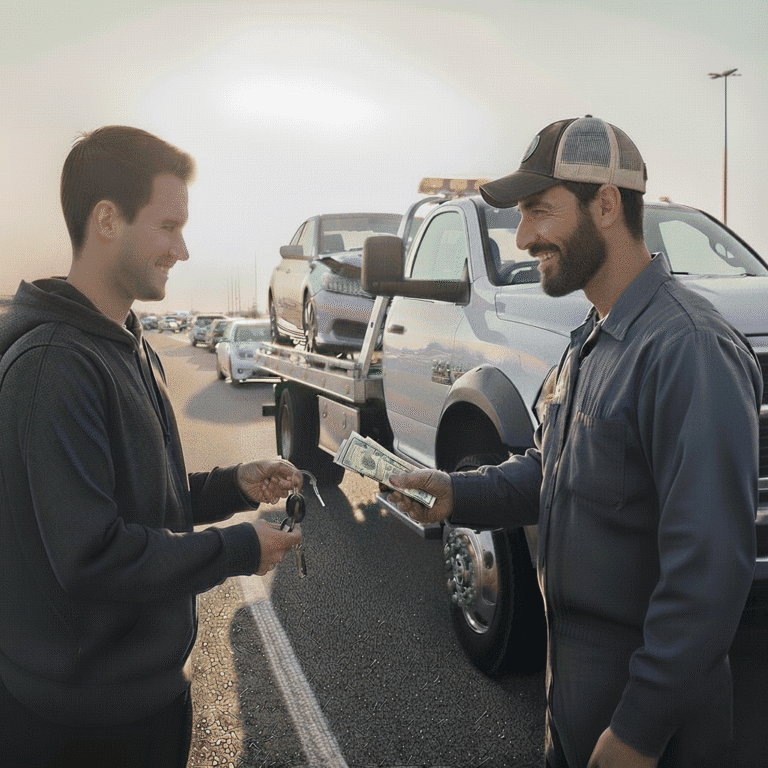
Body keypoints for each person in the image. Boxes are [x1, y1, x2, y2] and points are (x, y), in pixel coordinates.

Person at [386, 116, 762, 768]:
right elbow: (552, 470)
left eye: (540, 212)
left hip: (654, 735)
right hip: (576, 705)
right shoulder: (588, 342)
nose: (525, 236)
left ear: (607, 204)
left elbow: (709, 574)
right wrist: (455, 495)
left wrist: (639, 731)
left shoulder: (687, 349)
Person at [0, 126, 303, 767]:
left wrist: (232, 484)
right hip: (81, 730)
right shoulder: (54, 364)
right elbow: (93, 558)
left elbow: (139, 506)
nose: (183, 249)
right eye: (168, 227)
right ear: (107, 220)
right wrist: (240, 547)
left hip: (143, 703)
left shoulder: (124, 341)